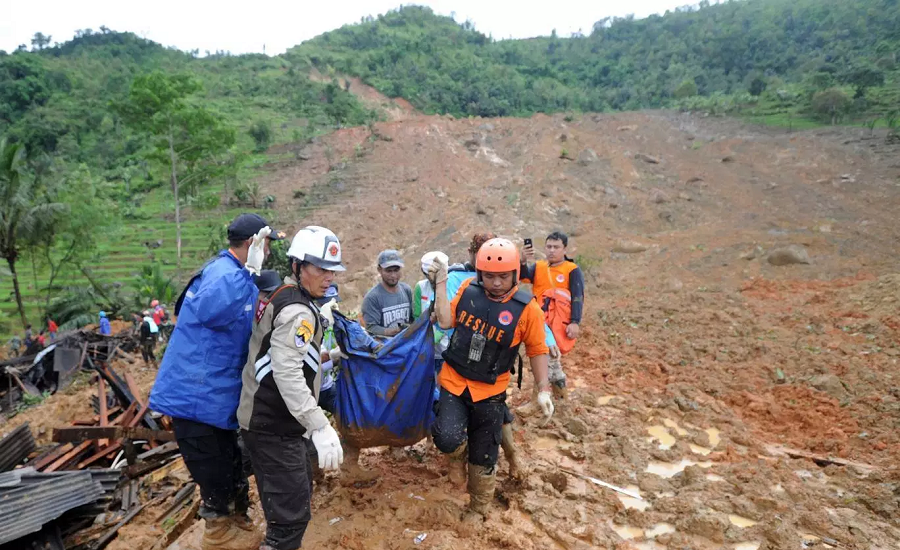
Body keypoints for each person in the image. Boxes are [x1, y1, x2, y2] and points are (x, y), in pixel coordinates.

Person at [148, 213, 279, 550]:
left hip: (215, 397)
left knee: (231, 464)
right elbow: (209, 310)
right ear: (253, 244)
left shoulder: (239, 277)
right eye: (267, 244)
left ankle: (236, 525)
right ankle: (218, 535)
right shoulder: (225, 274)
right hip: (196, 396)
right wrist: (248, 272)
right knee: (215, 471)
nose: (269, 252)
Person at [430, 238, 555, 521]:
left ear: (514, 274)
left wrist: (544, 389)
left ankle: (478, 508)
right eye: (489, 276)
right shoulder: (467, 290)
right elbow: (446, 322)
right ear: (478, 273)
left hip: (491, 390)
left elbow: (536, 349)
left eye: (502, 276)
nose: (495, 282)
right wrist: (440, 281)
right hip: (454, 381)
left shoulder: (528, 309)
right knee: (447, 437)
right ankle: (456, 458)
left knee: (485, 454)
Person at [238, 226, 345, 550]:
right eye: (320, 269)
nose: (328, 277)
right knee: (291, 518)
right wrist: (320, 425)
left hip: (267, 419)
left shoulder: (287, 295)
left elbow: (291, 358)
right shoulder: (299, 312)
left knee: (295, 488)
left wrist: (332, 355)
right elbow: (287, 373)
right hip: (274, 424)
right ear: (298, 267)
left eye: (332, 271)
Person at [521, 231, 585, 399]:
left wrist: (575, 322)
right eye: (549, 246)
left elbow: (578, 297)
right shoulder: (539, 267)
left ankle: (538, 401)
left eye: (556, 247)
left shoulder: (572, 270)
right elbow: (521, 276)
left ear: (565, 249)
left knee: (544, 358)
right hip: (539, 320)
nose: (551, 250)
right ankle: (562, 398)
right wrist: (522, 260)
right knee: (549, 358)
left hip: (559, 322)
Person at [361, 250, 413, 337]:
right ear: (379, 270)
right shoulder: (372, 298)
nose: (393, 275)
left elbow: (412, 319)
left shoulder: (406, 290)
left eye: (396, 270)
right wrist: (394, 331)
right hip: (386, 347)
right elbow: (371, 328)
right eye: (389, 271)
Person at [315, 283, 341, 415]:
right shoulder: (310, 323)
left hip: (326, 385)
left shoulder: (333, 323)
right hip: (309, 389)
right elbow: (314, 362)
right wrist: (333, 356)